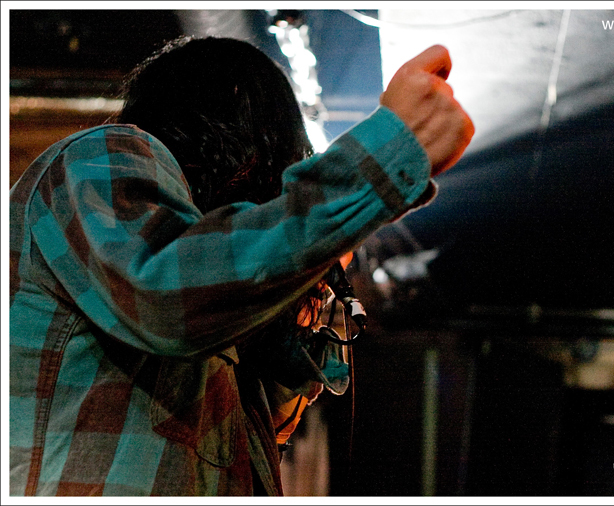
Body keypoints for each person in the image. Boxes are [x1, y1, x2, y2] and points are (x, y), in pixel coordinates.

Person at [8, 36, 473, 496]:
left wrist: (302, 295)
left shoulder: (214, 317)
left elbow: (256, 448)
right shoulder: (98, 156)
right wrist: (382, 161)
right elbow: (165, 295)